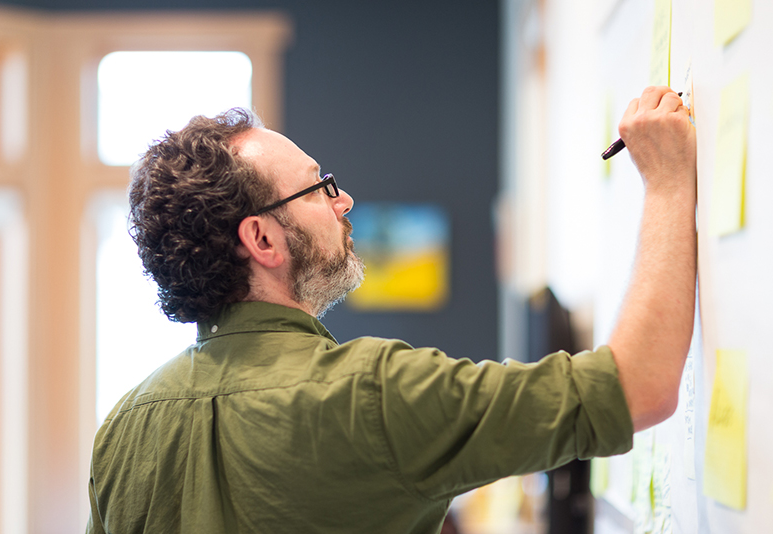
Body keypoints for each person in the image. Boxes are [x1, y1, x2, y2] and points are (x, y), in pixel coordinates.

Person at [86, 85, 696, 533]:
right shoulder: (370, 394)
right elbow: (638, 387)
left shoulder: (122, 431)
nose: (344, 199)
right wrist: (668, 185)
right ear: (262, 241)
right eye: (318, 187)